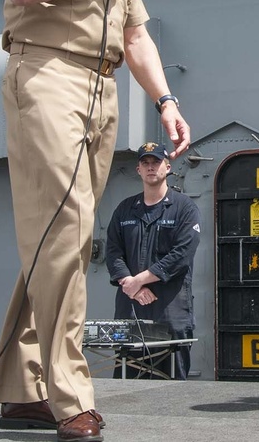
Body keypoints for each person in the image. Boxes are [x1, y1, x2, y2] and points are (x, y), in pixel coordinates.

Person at [0, 0, 191, 442]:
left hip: (101, 87)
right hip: (46, 74)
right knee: (68, 234)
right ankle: (68, 395)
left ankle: (23, 388)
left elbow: (134, 33)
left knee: (58, 235)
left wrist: (164, 100)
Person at [106, 142, 201, 380]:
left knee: (171, 382)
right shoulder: (125, 210)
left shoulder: (184, 208)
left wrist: (140, 280)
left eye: (156, 162)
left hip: (170, 309)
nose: (151, 168)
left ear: (167, 167)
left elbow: (182, 254)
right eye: (145, 163)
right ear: (138, 169)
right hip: (131, 307)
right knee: (128, 381)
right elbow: (113, 252)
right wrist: (131, 285)